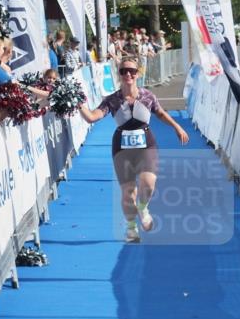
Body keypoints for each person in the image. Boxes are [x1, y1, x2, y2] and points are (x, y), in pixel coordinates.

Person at [77, 56, 189, 243]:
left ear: (138, 74)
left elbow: (160, 113)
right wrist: (79, 103)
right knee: (128, 191)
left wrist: (177, 127)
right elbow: (92, 117)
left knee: (148, 184)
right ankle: (131, 228)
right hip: (122, 146)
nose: (128, 74)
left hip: (146, 143)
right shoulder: (111, 100)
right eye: (123, 71)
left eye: (132, 71)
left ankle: (143, 207)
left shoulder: (147, 96)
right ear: (119, 74)